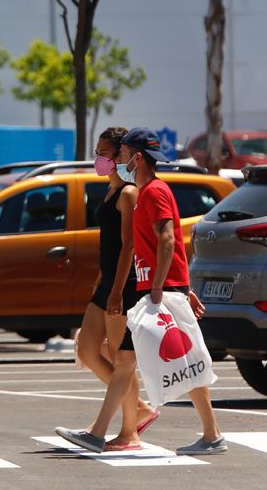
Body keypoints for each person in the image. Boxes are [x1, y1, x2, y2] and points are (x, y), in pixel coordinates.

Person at [56, 127, 226, 456]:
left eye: (120, 154)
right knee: (138, 361)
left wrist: (163, 289)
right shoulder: (147, 191)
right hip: (158, 288)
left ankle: (104, 433)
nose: (116, 159)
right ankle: (206, 434)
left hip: (160, 291)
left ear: (136, 157)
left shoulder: (153, 192)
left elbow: (168, 240)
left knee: (180, 362)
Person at [72, 127, 159, 449]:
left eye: (105, 154)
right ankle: (139, 410)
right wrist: (101, 281)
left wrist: (116, 289)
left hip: (124, 284)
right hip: (106, 281)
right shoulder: (108, 192)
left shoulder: (127, 193)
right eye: (98, 152)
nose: (99, 159)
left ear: (121, 157)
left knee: (122, 360)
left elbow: (129, 246)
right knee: (86, 349)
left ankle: (130, 429)